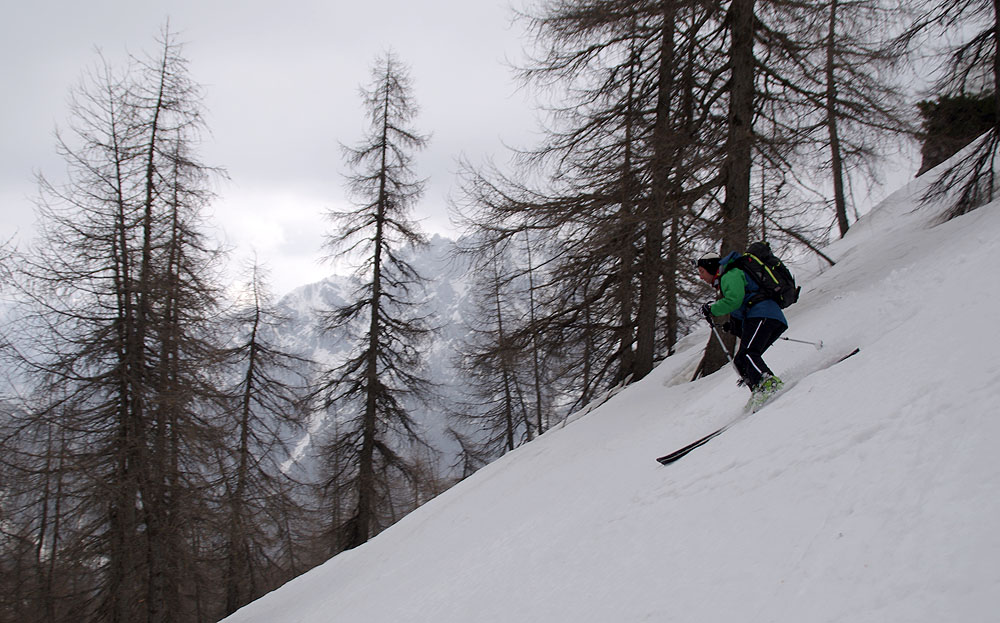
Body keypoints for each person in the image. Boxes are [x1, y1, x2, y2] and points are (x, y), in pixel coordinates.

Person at [696, 251, 787, 408]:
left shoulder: (730, 274)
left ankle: (768, 383)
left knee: (748, 353)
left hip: (764, 314)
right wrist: (734, 326)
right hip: (762, 317)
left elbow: (734, 300)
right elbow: (742, 304)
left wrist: (712, 309)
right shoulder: (727, 278)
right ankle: (758, 390)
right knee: (740, 361)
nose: (701, 277)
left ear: (711, 268)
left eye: (702, 272)